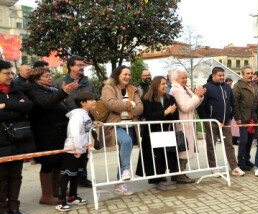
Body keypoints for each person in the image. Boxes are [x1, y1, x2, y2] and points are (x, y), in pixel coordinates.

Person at [25, 67, 78, 205]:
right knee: (48, 164)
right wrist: (63, 92)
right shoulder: (33, 90)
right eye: (46, 76)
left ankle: (56, 191)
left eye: (50, 75)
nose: (50, 78)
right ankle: (46, 195)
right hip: (45, 133)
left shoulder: (50, 89)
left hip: (59, 131)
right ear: (36, 79)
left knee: (58, 163)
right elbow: (45, 104)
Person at [54, 56, 98, 188]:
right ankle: (65, 183)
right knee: (70, 153)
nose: (81, 67)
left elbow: (95, 98)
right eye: (79, 65)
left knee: (84, 151)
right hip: (65, 121)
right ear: (70, 67)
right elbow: (55, 101)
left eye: (83, 65)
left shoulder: (88, 83)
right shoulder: (60, 82)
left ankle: (82, 178)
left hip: (84, 121)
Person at [0, 60, 35, 214]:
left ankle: (14, 206)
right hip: (2, 142)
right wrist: (16, 108)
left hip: (18, 139)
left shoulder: (16, 89)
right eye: (6, 73)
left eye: (11, 73)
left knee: (16, 175)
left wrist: (5, 105)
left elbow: (28, 106)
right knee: (2, 177)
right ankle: (3, 208)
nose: (10, 76)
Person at [56, 92, 103, 212]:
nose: (94, 101)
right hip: (73, 150)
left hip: (82, 149)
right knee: (67, 174)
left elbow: (84, 129)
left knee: (77, 174)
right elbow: (75, 133)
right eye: (91, 99)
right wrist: (77, 150)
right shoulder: (77, 115)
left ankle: (73, 196)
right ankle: (61, 201)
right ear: (83, 102)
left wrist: (93, 123)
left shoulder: (86, 115)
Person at [101, 66, 143, 195]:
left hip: (130, 125)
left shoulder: (133, 89)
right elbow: (112, 104)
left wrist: (127, 106)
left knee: (124, 154)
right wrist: (131, 105)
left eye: (129, 75)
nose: (128, 77)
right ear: (117, 75)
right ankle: (126, 169)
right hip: (115, 125)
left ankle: (120, 184)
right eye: (125, 74)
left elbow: (140, 108)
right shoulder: (108, 88)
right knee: (126, 141)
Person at [197, 67, 245, 176]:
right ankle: (213, 168)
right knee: (211, 145)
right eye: (219, 75)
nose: (222, 77)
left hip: (226, 122)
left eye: (223, 75)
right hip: (212, 121)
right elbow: (201, 106)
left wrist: (230, 116)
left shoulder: (227, 87)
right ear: (213, 75)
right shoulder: (206, 87)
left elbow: (233, 103)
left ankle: (234, 167)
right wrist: (207, 119)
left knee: (229, 144)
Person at [135, 76, 179, 191]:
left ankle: (162, 175)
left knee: (165, 155)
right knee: (155, 156)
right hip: (152, 132)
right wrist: (165, 112)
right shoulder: (147, 99)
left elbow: (175, 116)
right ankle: (156, 180)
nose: (166, 86)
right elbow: (148, 116)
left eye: (166, 84)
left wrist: (171, 113)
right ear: (156, 85)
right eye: (163, 84)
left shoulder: (171, 98)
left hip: (166, 130)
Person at [169, 69, 206, 184]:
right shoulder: (176, 90)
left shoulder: (185, 88)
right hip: (182, 124)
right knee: (182, 149)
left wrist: (200, 96)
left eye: (186, 78)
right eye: (182, 78)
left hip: (189, 123)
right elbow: (185, 107)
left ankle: (181, 172)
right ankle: (179, 173)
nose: (185, 80)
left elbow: (194, 103)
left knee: (186, 148)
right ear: (176, 79)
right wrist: (197, 96)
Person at [233, 66, 258, 171]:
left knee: (250, 141)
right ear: (242, 74)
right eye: (247, 73)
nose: (250, 75)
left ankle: (247, 159)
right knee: (243, 141)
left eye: (251, 73)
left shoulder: (255, 85)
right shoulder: (238, 86)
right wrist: (238, 117)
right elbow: (235, 103)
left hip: (253, 119)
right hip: (243, 118)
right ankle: (241, 161)